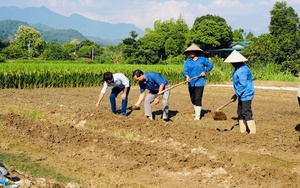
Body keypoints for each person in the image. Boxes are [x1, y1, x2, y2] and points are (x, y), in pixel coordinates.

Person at [224, 50, 256, 134]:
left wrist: (236, 94)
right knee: (240, 111)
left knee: (246, 111)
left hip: (246, 94)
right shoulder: (238, 69)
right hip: (242, 94)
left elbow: (243, 85)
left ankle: (252, 131)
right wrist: (236, 94)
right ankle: (242, 129)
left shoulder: (242, 70)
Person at [183, 43, 214, 120]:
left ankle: (198, 116)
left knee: (198, 98)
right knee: (193, 99)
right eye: (190, 52)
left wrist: (205, 71)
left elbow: (210, 65)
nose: (191, 53)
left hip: (200, 82)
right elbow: (185, 71)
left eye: (193, 52)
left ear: (196, 52)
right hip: (191, 82)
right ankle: (196, 112)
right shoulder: (188, 61)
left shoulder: (202, 59)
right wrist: (187, 76)